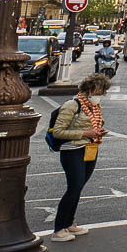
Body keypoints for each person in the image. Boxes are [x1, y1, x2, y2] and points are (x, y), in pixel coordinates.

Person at [46, 73, 111, 241]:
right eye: (97, 91)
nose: (99, 95)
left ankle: (69, 223)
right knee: (73, 187)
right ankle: (59, 229)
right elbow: (59, 132)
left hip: (90, 148)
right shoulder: (72, 105)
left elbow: (96, 123)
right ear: (88, 89)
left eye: (102, 92)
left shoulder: (94, 106)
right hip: (72, 150)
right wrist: (85, 132)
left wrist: (98, 131)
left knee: (79, 187)